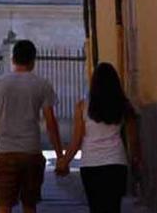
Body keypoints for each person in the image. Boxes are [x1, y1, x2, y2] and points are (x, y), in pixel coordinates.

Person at [0, 39, 63, 213]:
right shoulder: (42, 84)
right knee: (29, 205)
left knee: (3, 205)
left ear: (13, 59)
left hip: (5, 152)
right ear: (33, 61)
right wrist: (60, 156)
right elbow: (51, 122)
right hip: (31, 152)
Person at [56, 62, 142, 213]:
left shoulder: (82, 107)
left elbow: (76, 141)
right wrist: (136, 162)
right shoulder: (124, 106)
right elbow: (133, 141)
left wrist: (64, 162)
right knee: (113, 208)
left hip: (91, 165)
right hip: (116, 164)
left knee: (96, 208)